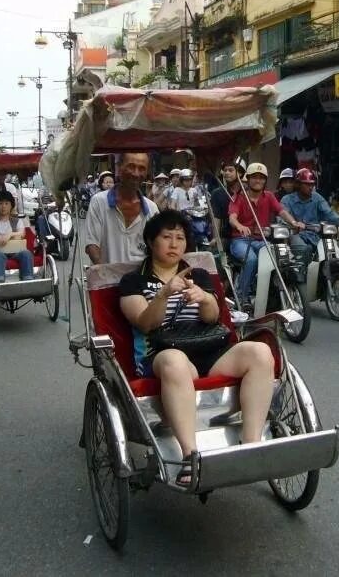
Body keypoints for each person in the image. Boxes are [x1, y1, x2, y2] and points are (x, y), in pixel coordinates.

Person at [118, 210, 274, 485]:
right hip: (164, 352)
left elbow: (213, 318)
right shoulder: (134, 281)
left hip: (210, 349)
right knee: (175, 362)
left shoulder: (199, 274)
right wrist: (165, 294)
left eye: (180, 238)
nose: (174, 243)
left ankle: (251, 446)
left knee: (260, 352)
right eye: (167, 237)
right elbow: (144, 323)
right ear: (151, 242)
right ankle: (191, 456)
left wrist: (204, 298)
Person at [227, 163, 304, 309]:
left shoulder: (269, 196)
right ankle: (242, 296)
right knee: (251, 259)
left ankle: (272, 293)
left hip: (261, 240)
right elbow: (232, 217)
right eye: (254, 177)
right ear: (248, 179)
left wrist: (294, 222)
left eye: (261, 178)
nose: (258, 180)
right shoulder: (238, 197)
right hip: (240, 241)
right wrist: (240, 226)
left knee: (282, 254)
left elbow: (281, 211)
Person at [84, 152, 159, 265]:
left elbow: (158, 247)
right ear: (119, 168)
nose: (136, 173)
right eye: (131, 166)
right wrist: (105, 275)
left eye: (142, 168)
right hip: (107, 278)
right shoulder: (99, 201)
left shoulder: (152, 209)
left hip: (141, 280)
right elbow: (92, 244)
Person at [281, 168, 339, 263]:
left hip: (315, 235)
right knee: (304, 250)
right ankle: (300, 275)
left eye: (312, 184)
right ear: (298, 184)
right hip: (295, 235)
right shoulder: (286, 200)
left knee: (331, 252)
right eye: (306, 184)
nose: (310, 187)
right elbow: (283, 217)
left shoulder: (317, 198)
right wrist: (294, 224)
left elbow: (329, 213)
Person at [0, 190, 34, 283]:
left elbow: (21, 234)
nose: (3, 206)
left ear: (11, 206)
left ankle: (28, 280)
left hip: (15, 251)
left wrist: (9, 235)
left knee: (26, 253)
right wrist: (6, 239)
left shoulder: (18, 221)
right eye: (1, 203)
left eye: (7, 203)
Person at [210, 158, 244, 242]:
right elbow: (216, 218)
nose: (227, 173)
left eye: (230, 170)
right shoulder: (217, 193)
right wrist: (216, 238)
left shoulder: (247, 192)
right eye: (225, 170)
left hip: (246, 235)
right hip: (226, 237)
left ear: (240, 173)